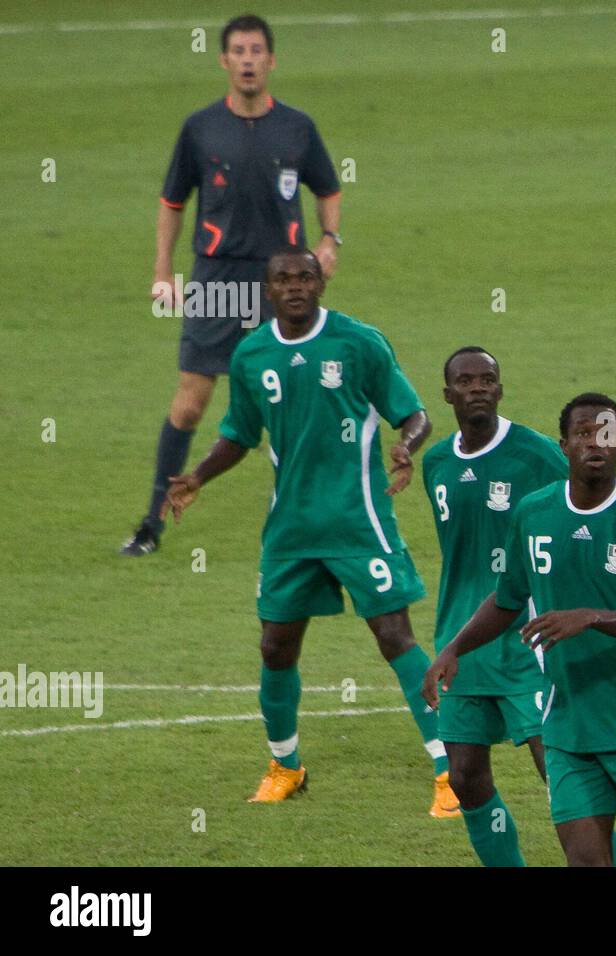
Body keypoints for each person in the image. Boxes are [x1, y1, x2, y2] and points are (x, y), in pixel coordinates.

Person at [161, 248, 440, 803]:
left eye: (305, 277)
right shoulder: (252, 353)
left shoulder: (359, 343)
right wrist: (199, 476)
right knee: (275, 646)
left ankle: (450, 769)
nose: (295, 286)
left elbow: (415, 413)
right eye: (283, 279)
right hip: (290, 529)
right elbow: (239, 433)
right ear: (268, 291)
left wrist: (406, 446)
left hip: (359, 520)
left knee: (393, 636)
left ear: (321, 282)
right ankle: (285, 766)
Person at [424, 394, 616, 866]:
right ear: (564, 445)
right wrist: (455, 647)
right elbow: (507, 597)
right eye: (584, 433)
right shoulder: (533, 514)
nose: (596, 443)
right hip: (567, 726)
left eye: (607, 433)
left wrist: (591, 617)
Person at [123, 13, 342, 556]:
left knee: (297, 399)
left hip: (283, 282)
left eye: (256, 51)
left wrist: (331, 240)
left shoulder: (298, 128)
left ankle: (312, 520)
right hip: (216, 280)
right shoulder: (200, 129)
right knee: (192, 402)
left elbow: (328, 188)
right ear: (224, 60)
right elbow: (172, 203)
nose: (247, 59)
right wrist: (161, 272)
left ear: (271, 60)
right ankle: (152, 521)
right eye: (238, 51)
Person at [419, 347, 565, 847]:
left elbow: (582, 514)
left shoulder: (538, 455)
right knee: (464, 777)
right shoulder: (436, 462)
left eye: (487, 379)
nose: (477, 387)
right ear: (447, 394)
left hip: (528, 644)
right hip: (462, 644)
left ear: (501, 390)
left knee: (563, 778)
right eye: (465, 380)